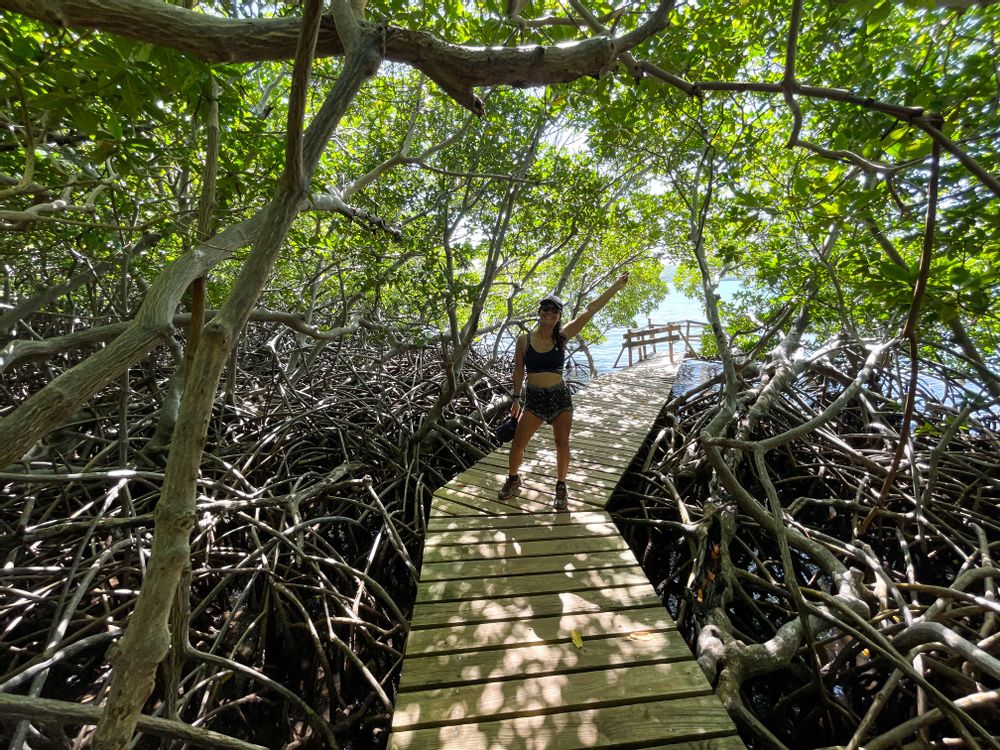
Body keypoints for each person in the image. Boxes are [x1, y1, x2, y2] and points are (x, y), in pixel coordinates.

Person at [499, 272, 630, 509]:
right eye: (545, 309)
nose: (549, 313)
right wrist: (516, 399)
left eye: (554, 310)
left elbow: (590, 310)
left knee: (562, 443)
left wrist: (616, 287)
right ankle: (513, 479)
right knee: (518, 443)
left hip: (560, 396)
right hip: (535, 399)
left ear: (558, 316)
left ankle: (561, 485)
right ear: (539, 312)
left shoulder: (562, 336)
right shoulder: (524, 340)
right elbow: (518, 372)